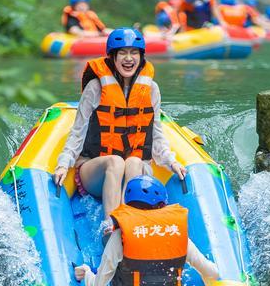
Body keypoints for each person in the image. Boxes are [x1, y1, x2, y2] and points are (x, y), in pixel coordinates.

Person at [53, 28, 187, 224]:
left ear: (141, 57)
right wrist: (64, 164)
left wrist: (171, 161)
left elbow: (156, 134)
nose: (128, 58)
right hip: (96, 169)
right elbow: (77, 132)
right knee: (116, 161)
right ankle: (111, 225)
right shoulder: (95, 88)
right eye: (122, 53)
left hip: (133, 172)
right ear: (112, 57)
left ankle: (129, 222)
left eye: (134, 53)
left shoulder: (151, 90)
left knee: (133, 161)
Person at [74, 175, 219, 286]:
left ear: (129, 205)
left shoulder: (120, 236)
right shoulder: (175, 231)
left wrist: (87, 272)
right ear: (162, 205)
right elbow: (212, 274)